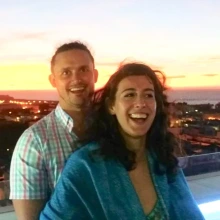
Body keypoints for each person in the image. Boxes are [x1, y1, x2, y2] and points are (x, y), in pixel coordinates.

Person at [40, 63, 204, 220]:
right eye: (129, 95)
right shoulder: (85, 166)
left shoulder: (163, 160)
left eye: (148, 95)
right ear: (112, 106)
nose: (140, 103)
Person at [9, 41, 98, 220]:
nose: (76, 79)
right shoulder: (34, 142)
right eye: (66, 72)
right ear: (53, 80)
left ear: (94, 75)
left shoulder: (113, 129)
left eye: (83, 70)